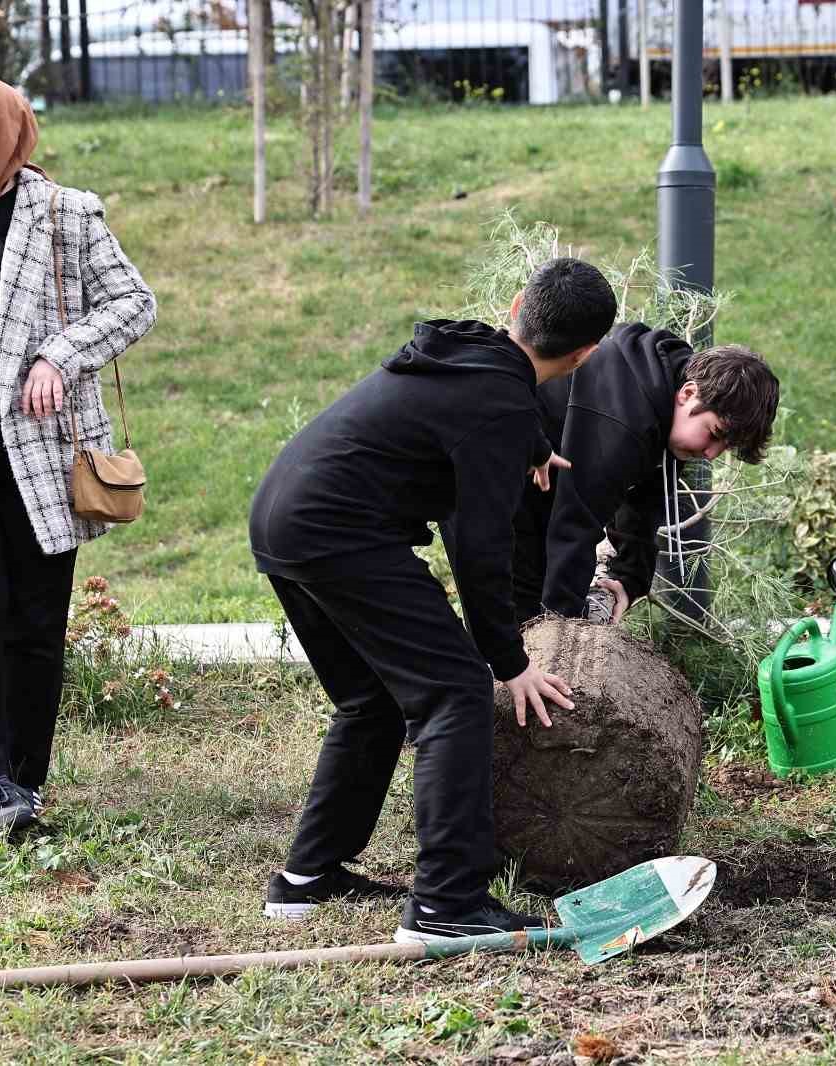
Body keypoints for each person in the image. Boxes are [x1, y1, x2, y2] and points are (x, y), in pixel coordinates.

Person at [249, 257, 616, 940]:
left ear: (517, 307)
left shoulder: (472, 348)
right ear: (587, 354)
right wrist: (508, 663)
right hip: (337, 531)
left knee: (372, 698)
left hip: (282, 514)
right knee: (455, 691)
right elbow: (478, 552)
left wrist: (532, 444)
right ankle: (448, 904)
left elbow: (484, 399)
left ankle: (308, 877)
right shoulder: (501, 406)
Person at [0, 69, 156, 834]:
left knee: (36, 620)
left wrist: (60, 355)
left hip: (40, 448)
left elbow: (133, 301)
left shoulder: (64, 214)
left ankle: (25, 776)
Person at [511, 322, 779, 625]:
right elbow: (576, 520)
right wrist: (566, 626)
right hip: (495, 467)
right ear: (688, 393)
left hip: (548, 476)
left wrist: (628, 578)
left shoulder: (669, 385)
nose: (711, 454)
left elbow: (646, 499)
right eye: (715, 434)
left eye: (726, 447)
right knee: (516, 615)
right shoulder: (626, 422)